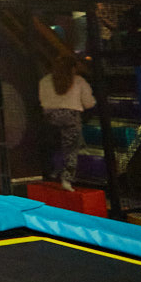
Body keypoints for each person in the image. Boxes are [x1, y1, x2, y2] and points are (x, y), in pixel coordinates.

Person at [37, 54, 95, 191]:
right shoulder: (79, 81)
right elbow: (89, 103)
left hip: (50, 117)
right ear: (73, 68)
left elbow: (42, 100)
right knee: (71, 150)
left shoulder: (45, 81)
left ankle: (52, 172)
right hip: (71, 117)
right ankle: (67, 179)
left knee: (53, 146)